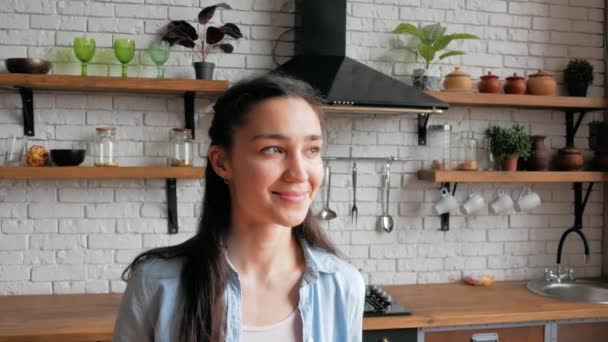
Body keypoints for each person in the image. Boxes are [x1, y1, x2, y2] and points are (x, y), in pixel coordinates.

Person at [112, 74, 365, 342]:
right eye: (273, 149)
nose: (299, 173)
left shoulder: (343, 284)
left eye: (312, 150)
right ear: (222, 163)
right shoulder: (157, 283)